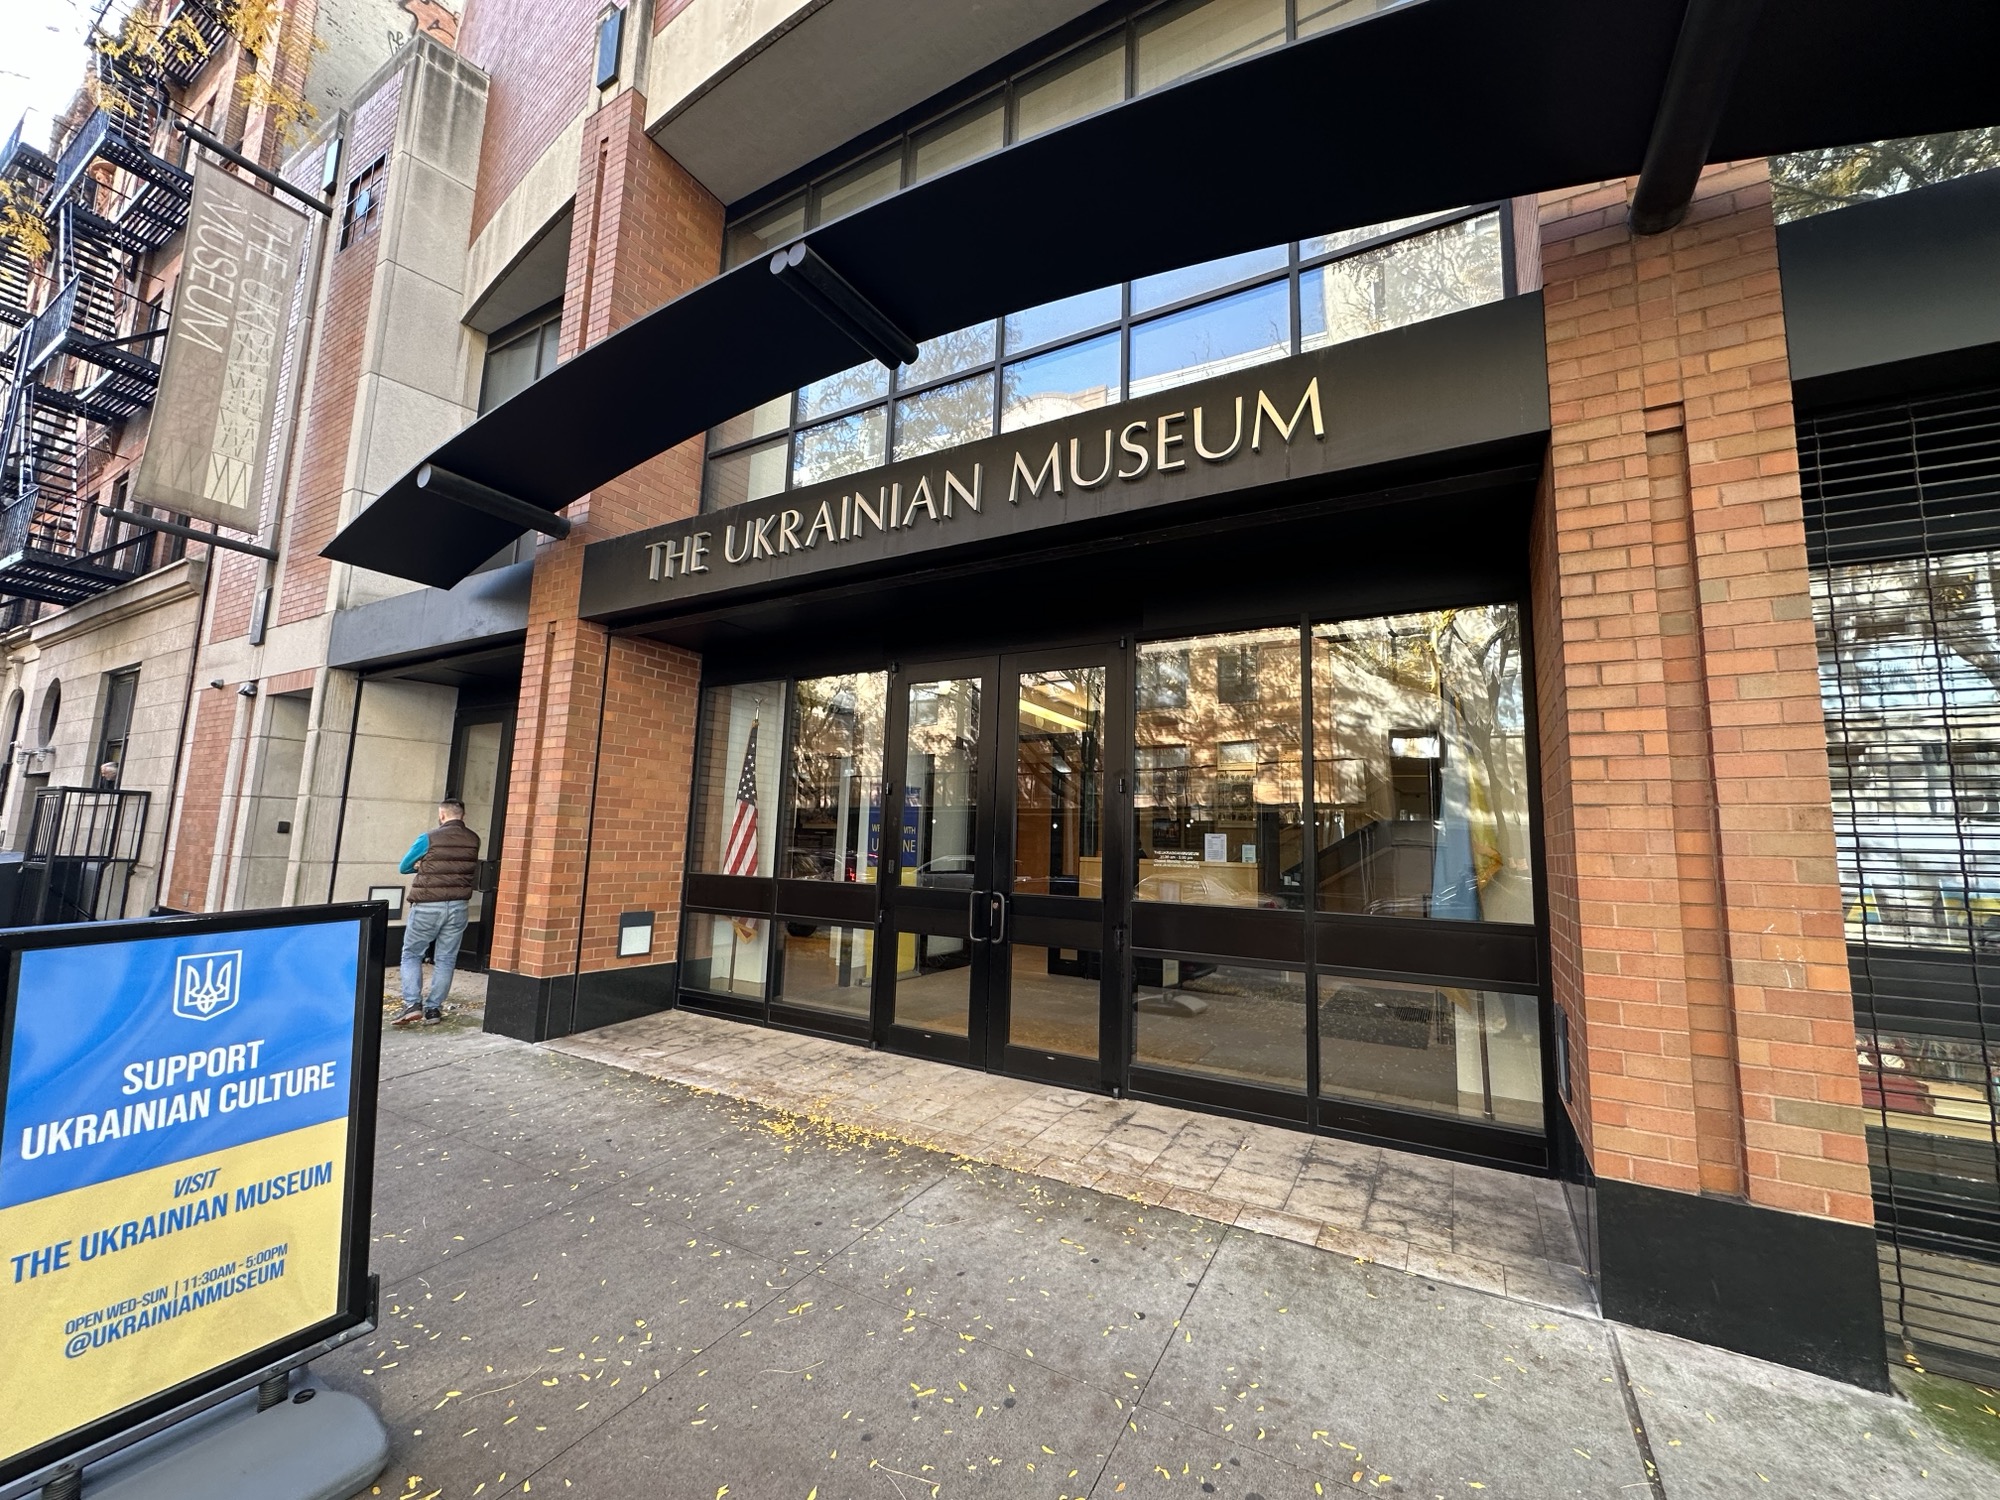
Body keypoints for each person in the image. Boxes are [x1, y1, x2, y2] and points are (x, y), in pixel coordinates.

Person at [392, 798, 481, 1026]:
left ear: (442, 815)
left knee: (411, 954)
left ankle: (412, 1004)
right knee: (446, 959)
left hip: (428, 905)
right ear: (463, 816)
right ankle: (433, 1010)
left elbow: (404, 866)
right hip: (458, 906)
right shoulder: (473, 839)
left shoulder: (428, 838)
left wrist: (420, 865)